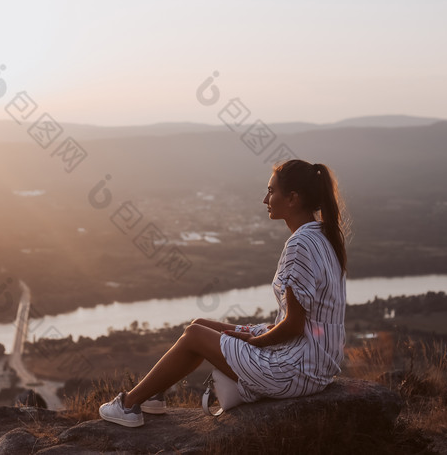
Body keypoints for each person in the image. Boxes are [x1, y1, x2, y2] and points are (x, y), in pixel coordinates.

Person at [99, 159, 349, 427]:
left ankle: (127, 406)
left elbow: (294, 326)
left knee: (195, 336)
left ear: (292, 199)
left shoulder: (300, 244)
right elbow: (304, 323)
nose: (265, 199)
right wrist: (256, 334)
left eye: (271, 191)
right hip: (312, 364)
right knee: (200, 325)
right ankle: (153, 396)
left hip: (296, 371)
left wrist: (255, 343)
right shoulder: (323, 236)